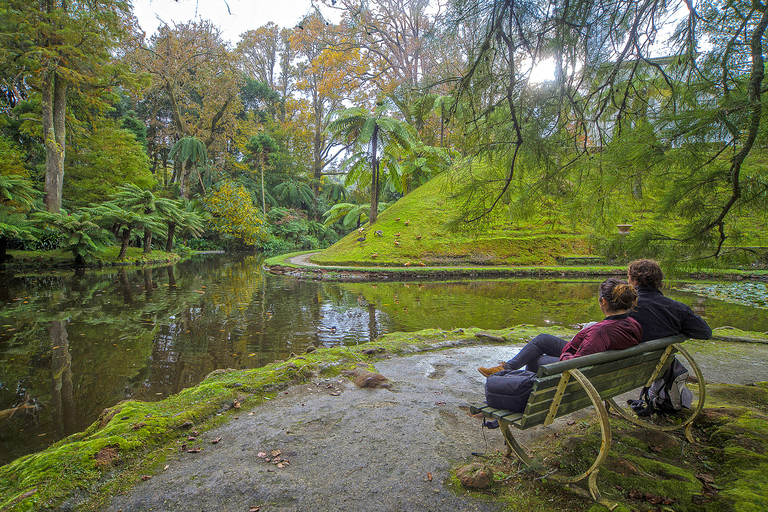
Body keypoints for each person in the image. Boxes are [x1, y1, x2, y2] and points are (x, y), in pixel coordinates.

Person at [478, 278, 643, 377]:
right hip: (599, 361)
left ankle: (526, 391)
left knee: (535, 360)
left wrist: (565, 355)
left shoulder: (601, 331)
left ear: (603, 302)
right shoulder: (633, 324)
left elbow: (579, 362)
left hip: (583, 369)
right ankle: (504, 369)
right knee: (542, 339)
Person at [626, 259, 712, 342]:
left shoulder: (623, 307)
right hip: (663, 356)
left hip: (631, 356)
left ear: (634, 281)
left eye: (629, 278)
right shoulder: (678, 308)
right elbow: (705, 332)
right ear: (659, 281)